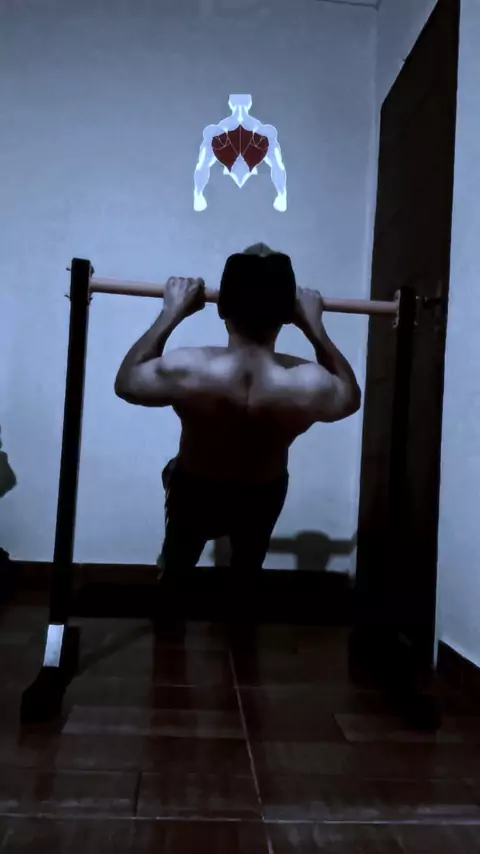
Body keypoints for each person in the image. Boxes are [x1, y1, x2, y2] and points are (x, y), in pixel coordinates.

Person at [114, 243, 361, 591]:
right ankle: (235, 611)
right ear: (288, 314)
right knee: (246, 575)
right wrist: (314, 327)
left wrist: (171, 313)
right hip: (261, 491)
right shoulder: (307, 382)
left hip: (196, 486)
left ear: (222, 308)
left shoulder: (190, 367)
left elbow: (127, 383)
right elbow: (349, 397)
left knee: (178, 570)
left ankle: (172, 589)